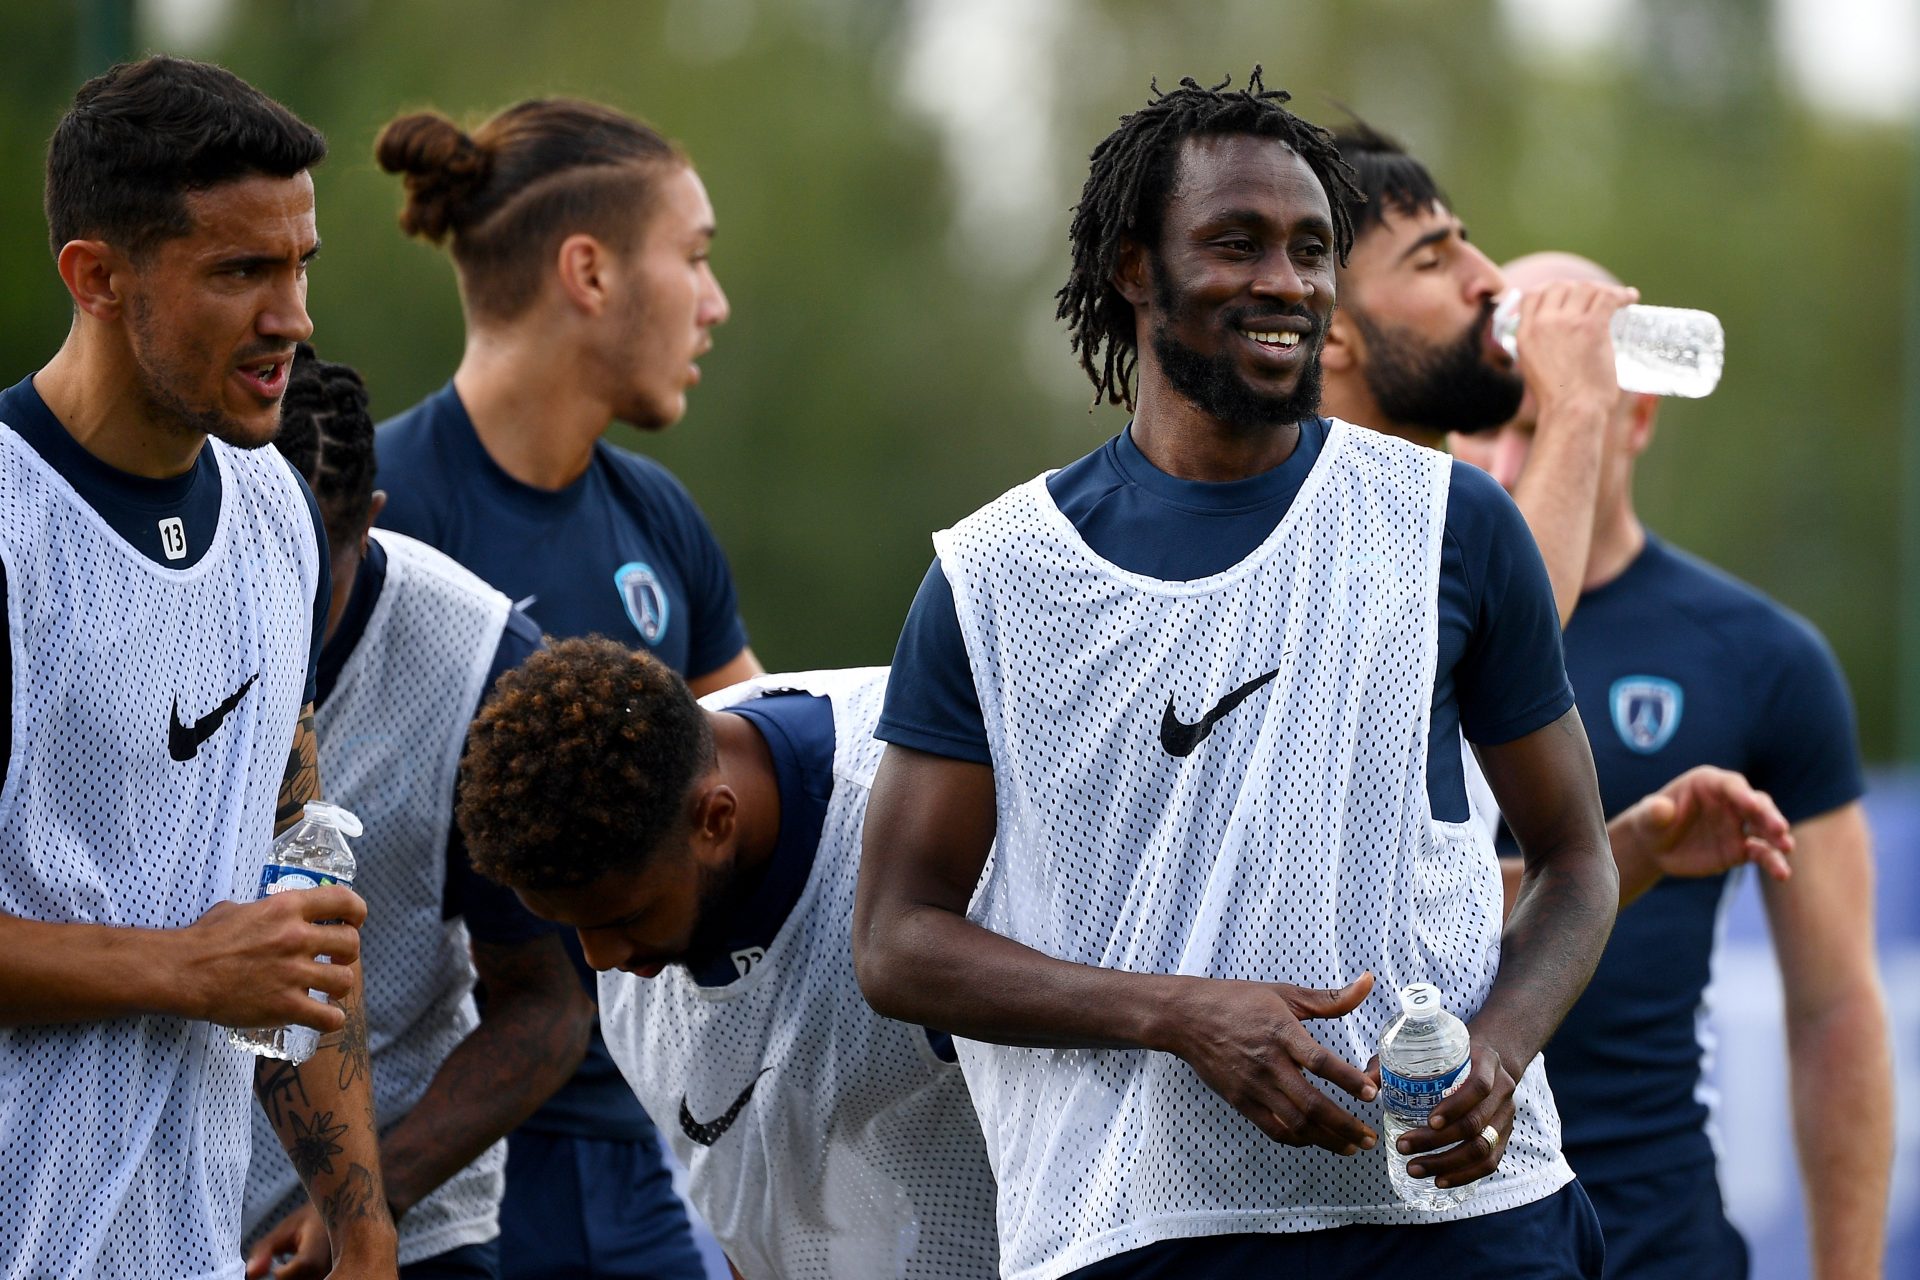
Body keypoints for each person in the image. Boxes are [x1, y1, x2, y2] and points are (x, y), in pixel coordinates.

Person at [853, 71, 1618, 1278]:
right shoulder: (994, 576)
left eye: (1313, 249)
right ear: (1131, 267)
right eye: (1236, 242)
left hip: (1465, 1225)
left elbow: (1577, 859)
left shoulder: (1453, 524)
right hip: (1144, 1232)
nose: (1287, 282)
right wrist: (1178, 1012)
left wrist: (1503, 1048)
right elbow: (897, 940)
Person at [0, 56, 395, 1278]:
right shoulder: (10, 527)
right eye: (241, 271)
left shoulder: (276, 511)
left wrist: (364, 1217)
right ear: (98, 277)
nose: (293, 318)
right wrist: (183, 966)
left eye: (300, 266)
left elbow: (291, 868)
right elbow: (222, 959)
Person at [370, 98, 761, 1279]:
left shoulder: (659, 519)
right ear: (587, 271)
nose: (715, 301)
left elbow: (769, 789)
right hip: (444, 1162)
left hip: (644, 1138)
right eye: (691, 257)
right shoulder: (379, 522)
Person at [1453, 251, 1892, 1280]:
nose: (1508, 466)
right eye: (1488, 424)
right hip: (1444, 1230)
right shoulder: (1398, 639)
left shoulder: (1760, 658)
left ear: (1635, 417)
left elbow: (1835, 1009)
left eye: (1542, 424)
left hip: (1659, 1239)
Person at [1319, 123, 1798, 911]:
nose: (1489, 280)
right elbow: (1508, 619)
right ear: (1330, 323)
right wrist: (1577, 403)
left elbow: (1406, 910)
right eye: (1435, 259)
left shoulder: (1410, 518)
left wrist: (1633, 847)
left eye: (1471, 246)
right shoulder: (1309, 533)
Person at [455, 640, 1000, 1279]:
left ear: (715, 821)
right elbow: (749, 1223)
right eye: (569, 927)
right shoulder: (630, 813)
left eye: (623, 919)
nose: (601, 960)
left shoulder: (940, 800)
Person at [243, 347, 596, 1280]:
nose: (280, 599)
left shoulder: (484, 671)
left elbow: (549, 1008)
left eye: (313, 566)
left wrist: (370, 1201)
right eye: (255, 554)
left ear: (370, 523)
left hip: (410, 1214)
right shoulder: (145, 612)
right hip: (157, 1196)